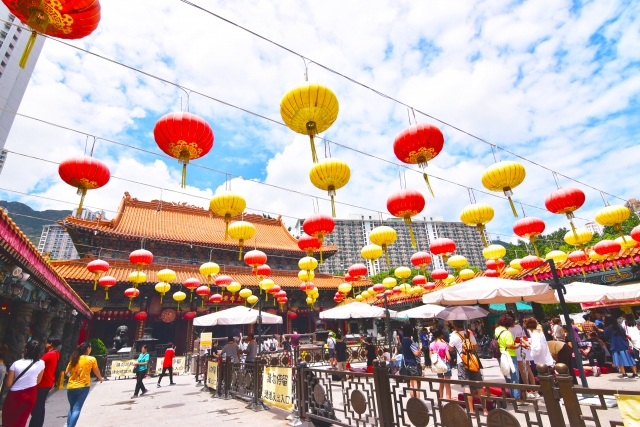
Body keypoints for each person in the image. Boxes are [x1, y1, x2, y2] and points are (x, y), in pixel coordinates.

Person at [2, 340, 45, 427]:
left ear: (26, 350)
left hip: (14, 395)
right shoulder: (41, 363)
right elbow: (38, 381)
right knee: (22, 420)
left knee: (8, 419)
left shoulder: (16, 363)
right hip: (31, 394)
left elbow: (8, 384)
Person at [449, 321, 487, 415]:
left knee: (466, 386)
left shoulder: (454, 335)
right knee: (479, 384)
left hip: (462, 361)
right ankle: (485, 409)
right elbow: (476, 346)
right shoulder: (469, 332)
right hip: (473, 361)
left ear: (454, 326)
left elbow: (450, 348)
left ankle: (471, 410)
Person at [66, 342, 103, 427]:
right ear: (88, 349)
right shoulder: (91, 359)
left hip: (71, 386)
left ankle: (69, 425)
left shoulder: (74, 358)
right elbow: (96, 370)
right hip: (84, 386)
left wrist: (73, 377)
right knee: (77, 409)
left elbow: (66, 372)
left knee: (72, 408)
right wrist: (100, 378)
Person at [495, 314, 528, 405]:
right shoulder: (507, 333)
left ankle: (511, 396)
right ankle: (517, 399)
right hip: (509, 355)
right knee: (514, 376)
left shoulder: (497, 330)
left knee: (507, 376)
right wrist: (518, 345)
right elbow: (509, 345)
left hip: (501, 355)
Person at [29, 336, 61, 427]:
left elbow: (38, 365)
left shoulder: (49, 354)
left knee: (37, 407)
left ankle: (35, 424)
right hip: (48, 382)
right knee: (41, 405)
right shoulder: (56, 354)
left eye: (47, 343)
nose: (46, 345)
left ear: (50, 344)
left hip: (42, 382)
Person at [508, 315, 536, 398]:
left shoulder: (510, 329)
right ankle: (534, 389)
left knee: (522, 370)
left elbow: (512, 341)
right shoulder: (519, 326)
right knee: (528, 369)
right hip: (524, 347)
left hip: (518, 349)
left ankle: (528, 390)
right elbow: (523, 336)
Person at [429, 329, 451, 400]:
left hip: (437, 365)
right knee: (447, 384)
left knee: (441, 384)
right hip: (445, 364)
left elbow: (430, 356)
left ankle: (440, 400)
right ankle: (448, 401)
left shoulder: (431, 344)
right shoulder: (444, 345)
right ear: (440, 335)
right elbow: (448, 357)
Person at [401, 324, 421, 397]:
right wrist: (419, 350)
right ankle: (418, 403)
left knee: (411, 384)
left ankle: (412, 402)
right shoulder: (410, 341)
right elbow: (416, 353)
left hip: (407, 364)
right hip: (413, 364)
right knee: (416, 384)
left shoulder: (403, 340)